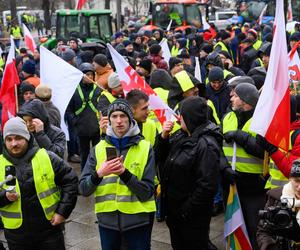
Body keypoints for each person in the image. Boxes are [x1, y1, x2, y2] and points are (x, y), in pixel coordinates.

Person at [79, 99, 156, 250]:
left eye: (123, 116)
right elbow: (83, 189)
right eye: (114, 116)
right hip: (107, 224)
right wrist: (99, 174)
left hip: (137, 222)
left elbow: (147, 192)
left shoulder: (146, 148)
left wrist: (124, 173)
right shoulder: (98, 149)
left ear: (130, 119)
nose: (119, 121)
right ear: (109, 120)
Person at [0, 117, 78, 250]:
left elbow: (70, 181)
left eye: (18, 138)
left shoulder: (47, 157)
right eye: (9, 139)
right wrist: (4, 197)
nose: (14, 144)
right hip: (16, 237)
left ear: (27, 137)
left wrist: (62, 212)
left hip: (49, 233)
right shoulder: (0, 164)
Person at [155, 96, 221, 249]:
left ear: (190, 117)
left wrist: (185, 211)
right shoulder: (182, 135)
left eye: (181, 114)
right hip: (175, 212)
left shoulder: (206, 144)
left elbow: (206, 186)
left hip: (191, 216)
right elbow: (160, 157)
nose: (178, 118)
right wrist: (163, 137)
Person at [222, 83, 266, 250]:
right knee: (234, 227)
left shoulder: (261, 120)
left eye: (235, 95)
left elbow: (263, 151)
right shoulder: (228, 117)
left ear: (246, 100)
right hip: (231, 184)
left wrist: (241, 136)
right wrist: (223, 168)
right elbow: (218, 147)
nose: (231, 98)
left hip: (253, 187)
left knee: (254, 227)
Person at [257, 159, 300, 250]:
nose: (299, 187)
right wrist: (270, 246)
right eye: (297, 181)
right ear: (290, 179)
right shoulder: (276, 197)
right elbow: (263, 232)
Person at [66, 63, 101, 171]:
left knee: (98, 153)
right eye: (86, 74)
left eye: (91, 74)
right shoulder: (74, 90)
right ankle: (84, 173)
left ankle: (98, 172)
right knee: (84, 154)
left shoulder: (98, 90)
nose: (89, 77)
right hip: (81, 129)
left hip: (97, 128)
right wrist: (75, 122)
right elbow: (69, 110)